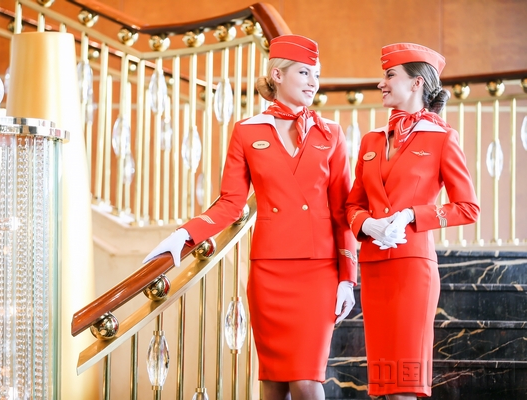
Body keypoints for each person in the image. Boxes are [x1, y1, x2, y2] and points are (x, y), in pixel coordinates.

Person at [143, 34, 358, 400]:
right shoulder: (247, 131)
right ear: (277, 74)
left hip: (319, 271)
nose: (313, 82)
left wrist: (347, 278)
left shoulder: (331, 134)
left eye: (316, 75)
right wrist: (184, 235)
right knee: (272, 382)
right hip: (269, 272)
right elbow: (230, 203)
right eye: (304, 72)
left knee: (306, 381)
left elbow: (343, 211)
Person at [345, 43, 480, 399]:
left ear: (417, 83)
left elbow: (468, 207)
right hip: (374, 268)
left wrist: (411, 215)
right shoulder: (371, 140)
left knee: (405, 384)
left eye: (390, 75)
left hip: (412, 270)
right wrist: (367, 224)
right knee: (383, 385)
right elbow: (353, 204)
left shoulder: (442, 138)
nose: (381, 83)